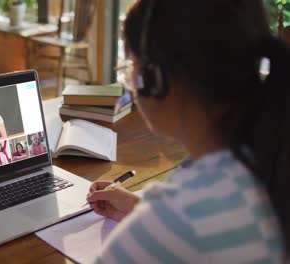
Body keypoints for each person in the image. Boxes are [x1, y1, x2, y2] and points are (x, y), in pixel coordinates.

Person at [86, 0, 289, 262]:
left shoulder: (178, 215)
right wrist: (142, 210)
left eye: (130, 67)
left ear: (155, 79)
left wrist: (157, 223)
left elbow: (189, 221)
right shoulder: (268, 160)